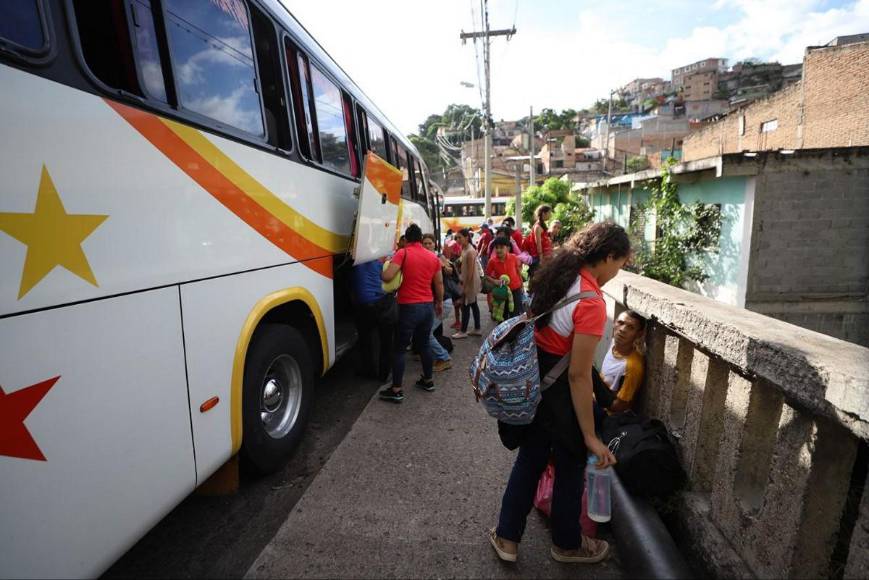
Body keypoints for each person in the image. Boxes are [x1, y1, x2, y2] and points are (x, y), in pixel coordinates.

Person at [489, 222, 631, 564]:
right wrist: (590, 435)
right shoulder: (592, 301)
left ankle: (507, 538)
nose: (618, 272)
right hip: (562, 397)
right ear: (608, 256)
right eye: (620, 264)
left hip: (536, 384)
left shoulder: (558, 276)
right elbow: (579, 375)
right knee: (569, 467)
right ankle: (567, 544)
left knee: (529, 461)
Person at [380, 224, 444, 402]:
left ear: (406, 239)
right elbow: (439, 284)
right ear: (421, 239)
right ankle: (428, 380)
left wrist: (383, 266)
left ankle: (397, 390)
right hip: (427, 306)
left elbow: (387, 277)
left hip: (408, 307)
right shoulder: (432, 257)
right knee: (423, 345)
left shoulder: (403, 253)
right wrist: (439, 302)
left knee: (400, 349)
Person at [350, 258, 396, 382]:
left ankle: (368, 370)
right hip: (382, 303)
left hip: (364, 305)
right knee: (386, 341)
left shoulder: (355, 262)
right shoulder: (380, 263)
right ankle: (384, 374)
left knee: (365, 339)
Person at [600, 310, 646, 413]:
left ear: (639, 334)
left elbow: (620, 407)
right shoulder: (613, 343)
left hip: (606, 415)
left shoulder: (633, 366)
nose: (622, 330)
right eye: (620, 323)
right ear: (614, 323)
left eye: (630, 327)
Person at [422, 233, 454, 372]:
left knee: (427, 333)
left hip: (442, 301)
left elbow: (449, 271)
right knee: (428, 332)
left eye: (430, 243)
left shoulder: (438, 257)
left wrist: (442, 265)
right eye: (425, 243)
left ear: (434, 244)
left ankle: (444, 357)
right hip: (436, 301)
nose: (428, 245)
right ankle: (437, 356)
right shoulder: (424, 258)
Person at [452, 228, 482, 339]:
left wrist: (465, 287)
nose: (458, 240)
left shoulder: (470, 251)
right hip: (468, 281)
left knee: (466, 305)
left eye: (460, 237)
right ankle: (477, 328)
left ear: (466, 237)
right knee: (473, 305)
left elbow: (470, 272)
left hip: (470, 282)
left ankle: (463, 331)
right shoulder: (465, 249)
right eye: (457, 238)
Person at [484, 237, 525, 319]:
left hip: (515, 290)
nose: (498, 250)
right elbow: (486, 275)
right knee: (502, 315)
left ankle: (515, 331)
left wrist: (522, 286)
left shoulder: (513, 257)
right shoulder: (492, 261)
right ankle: (504, 331)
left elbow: (518, 272)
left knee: (515, 314)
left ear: (508, 248)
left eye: (501, 247)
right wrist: (494, 281)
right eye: (496, 247)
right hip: (502, 291)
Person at [526, 205, 553, 291]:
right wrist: (541, 257)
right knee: (536, 278)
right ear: (543, 213)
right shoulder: (537, 227)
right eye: (549, 213)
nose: (550, 215)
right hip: (538, 257)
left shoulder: (542, 225)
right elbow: (538, 243)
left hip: (543, 257)